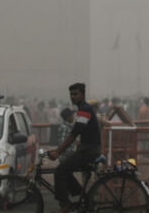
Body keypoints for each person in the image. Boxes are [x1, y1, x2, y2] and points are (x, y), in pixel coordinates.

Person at [48, 83, 102, 213]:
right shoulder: (82, 109)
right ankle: (82, 197)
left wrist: (58, 151)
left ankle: (65, 205)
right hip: (86, 149)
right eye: (71, 94)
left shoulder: (84, 110)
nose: (72, 97)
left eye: (75, 94)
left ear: (82, 95)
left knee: (60, 171)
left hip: (89, 151)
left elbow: (75, 133)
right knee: (65, 170)